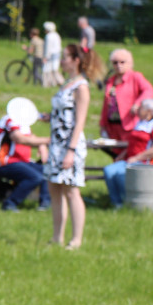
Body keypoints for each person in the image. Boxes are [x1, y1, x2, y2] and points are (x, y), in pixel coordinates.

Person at [45, 44, 105, 250]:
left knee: (71, 191)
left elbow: (79, 121)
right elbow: (64, 114)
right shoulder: (67, 84)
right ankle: (56, 237)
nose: (62, 61)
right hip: (56, 144)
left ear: (75, 61)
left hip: (70, 146)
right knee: (54, 188)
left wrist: (70, 151)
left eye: (65, 57)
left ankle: (76, 239)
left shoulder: (81, 87)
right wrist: (48, 117)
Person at [102, 99, 153, 208]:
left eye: (141, 107)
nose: (137, 109)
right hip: (130, 160)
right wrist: (122, 155)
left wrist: (136, 157)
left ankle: (130, 202)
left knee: (120, 176)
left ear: (149, 111)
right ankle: (117, 203)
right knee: (109, 170)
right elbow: (133, 143)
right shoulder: (141, 122)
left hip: (146, 164)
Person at [0, 107, 50, 212]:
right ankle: (10, 204)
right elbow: (19, 138)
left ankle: (45, 204)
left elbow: (32, 139)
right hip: (4, 162)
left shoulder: (25, 125)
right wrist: (49, 140)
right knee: (35, 177)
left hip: (21, 162)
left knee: (47, 171)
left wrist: (42, 145)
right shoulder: (9, 120)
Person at [99, 49, 153, 149]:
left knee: (129, 153)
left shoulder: (135, 77)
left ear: (130, 63)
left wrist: (137, 104)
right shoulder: (111, 81)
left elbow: (149, 90)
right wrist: (103, 124)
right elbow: (106, 105)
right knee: (116, 154)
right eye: (115, 63)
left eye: (122, 62)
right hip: (112, 126)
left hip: (129, 124)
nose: (118, 65)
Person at [42, 21, 63, 86]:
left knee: (46, 70)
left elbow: (48, 48)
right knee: (54, 69)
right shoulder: (56, 35)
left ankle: (47, 84)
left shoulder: (48, 36)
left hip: (50, 55)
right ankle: (55, 83)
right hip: (57, 54)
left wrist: (45, 57)